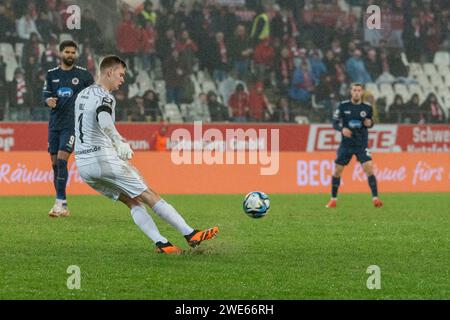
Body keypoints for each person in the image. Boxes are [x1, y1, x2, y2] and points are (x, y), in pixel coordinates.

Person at [74, 55, 219, 254]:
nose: (122, 80)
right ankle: (190, 233)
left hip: (83, 165)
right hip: (102, 158)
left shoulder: (82, 94)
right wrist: (118, 142)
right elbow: (104, 118)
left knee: (131, 201)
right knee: (148, 195)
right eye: (121, 75)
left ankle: (162, 244)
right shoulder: (105, 96)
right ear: (109, 72)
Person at [43, 40, 94, 217]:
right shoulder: (51, 75)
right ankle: (63, 203)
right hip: (54, 125)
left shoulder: (83, 75)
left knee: (63, 160)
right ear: (60, 53)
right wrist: (48, 101)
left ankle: (58, 203)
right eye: (67, 52)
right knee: (55, 165)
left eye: (73, 52)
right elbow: (46, 95)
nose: (70, 55)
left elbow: (94, 95)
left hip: (71, 125)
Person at [325, 83, 383, 209]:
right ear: (351, 92)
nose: (356, 92)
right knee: (337, 171)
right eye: (354, 90)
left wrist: (370, 122)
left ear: (362, 92)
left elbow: (370, 122)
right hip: (346, 144)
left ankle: (376, 199)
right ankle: (333, 199)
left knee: (369, 167)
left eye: (358, 90)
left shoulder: (367, 108)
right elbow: (334, 123)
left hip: (361, 144)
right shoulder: (343, 106)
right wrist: (342, 129)